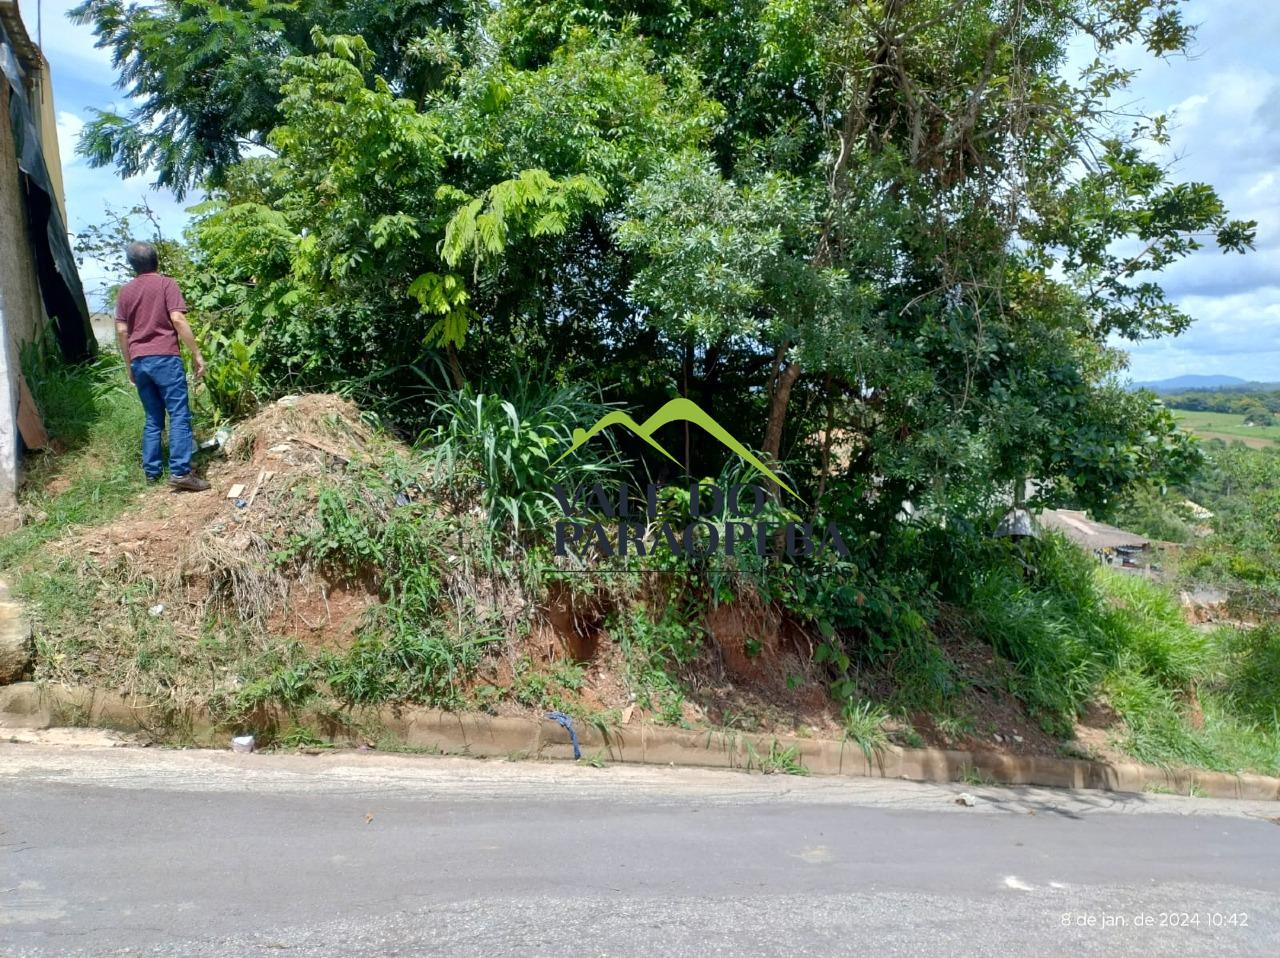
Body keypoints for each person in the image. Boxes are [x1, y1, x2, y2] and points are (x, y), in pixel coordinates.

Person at [114, 241, 210, 492]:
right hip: (165, 357)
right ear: (156, 260)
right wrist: (197, 353)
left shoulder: (125, 292)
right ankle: (180, 472)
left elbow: (122, 331)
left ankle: (152, 472)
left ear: (132, 265)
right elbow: (177, 319)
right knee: (179, 413)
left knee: (153, 417)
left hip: (139, 360)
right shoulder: (167, 284)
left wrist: (129, 365)